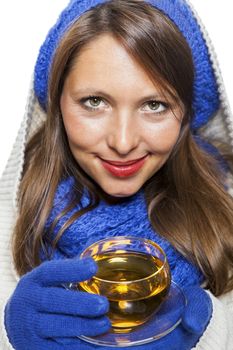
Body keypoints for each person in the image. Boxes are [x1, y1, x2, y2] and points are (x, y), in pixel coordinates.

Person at [0, 0, 233, 349]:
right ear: (58, 103)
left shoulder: (227, 202)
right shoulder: (11, 215)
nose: (122, 143)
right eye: (94, 101)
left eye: (155, 105)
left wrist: (215, 333)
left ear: (186, 113)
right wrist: (8, 336)